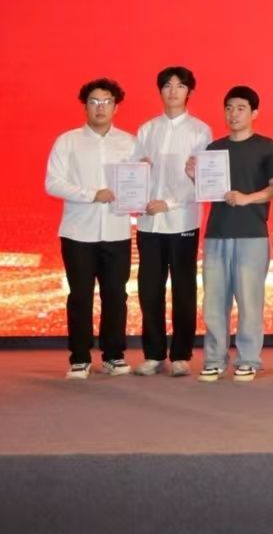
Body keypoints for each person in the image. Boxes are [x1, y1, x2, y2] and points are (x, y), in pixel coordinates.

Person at [44, 77, 139, 380]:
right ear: (85, 106)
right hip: (78, 232)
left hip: (116, 231)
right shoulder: (68, 141)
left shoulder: (130, 143)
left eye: (107, 101)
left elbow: (139, 182)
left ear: (116, 106)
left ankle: (113, 355)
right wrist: (91, 194)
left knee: (116, 296)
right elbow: (52, 183)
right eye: (94, 102)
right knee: (80, 297)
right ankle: (80, 357)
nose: (100, 107)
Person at [197, 86, 273, 382]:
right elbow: (207, 190)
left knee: (249, 302)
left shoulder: (267, 147)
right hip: (216, 233)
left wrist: (247, 198)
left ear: (254, 113)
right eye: (229, 108)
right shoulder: (213, 149)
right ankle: (214, 359)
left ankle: (248, 359)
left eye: (241, 108)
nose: (233, 114)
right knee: (213, 302)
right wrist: (194, 176)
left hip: (252, 234)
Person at [132, 66, 213, 377]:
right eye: (167, 85)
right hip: (149, 223)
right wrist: (136, 193)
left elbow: (202, 180)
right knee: (149, 290)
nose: (173, 91)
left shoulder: (200, 131)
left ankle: (181, 354)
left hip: (182, 220)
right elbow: (134, 175)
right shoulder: (146, 130)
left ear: (189, 91)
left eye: (180, 86)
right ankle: (153, 354)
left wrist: (169, 202)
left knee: (183, 289)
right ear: (160, 90)